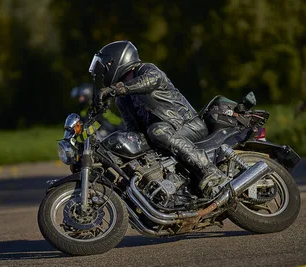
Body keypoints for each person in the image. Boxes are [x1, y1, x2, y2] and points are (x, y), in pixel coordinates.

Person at [88, 40, 228, 198]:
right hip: (162, 134)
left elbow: (151, 81)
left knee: (157, 130)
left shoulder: (146, 70)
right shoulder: (122, 100)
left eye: (105, 67)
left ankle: (208, 169)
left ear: (117, 61)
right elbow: (133, 129)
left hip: (187, 125)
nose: (103, 73)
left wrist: (115, 89)